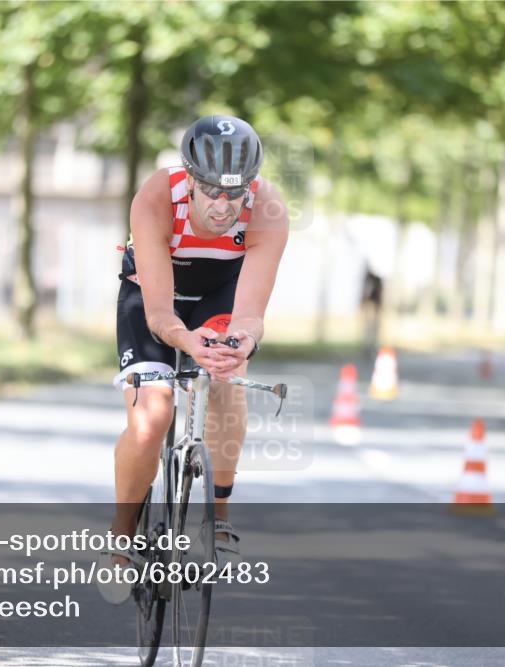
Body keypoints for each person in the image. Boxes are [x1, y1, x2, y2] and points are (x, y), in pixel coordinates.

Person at [98, 115, 289, 604]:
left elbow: (249, 314)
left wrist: (240, 342)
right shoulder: (158, 196)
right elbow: (161, 312)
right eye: (211, 191)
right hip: (154, 296)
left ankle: (218, 520)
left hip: (218, 296)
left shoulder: (267, 210)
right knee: (153, 417)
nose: (223, 205)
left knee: (227, 380)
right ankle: (120, 540)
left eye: (235, 192)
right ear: (190, 179)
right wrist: (186, 341)